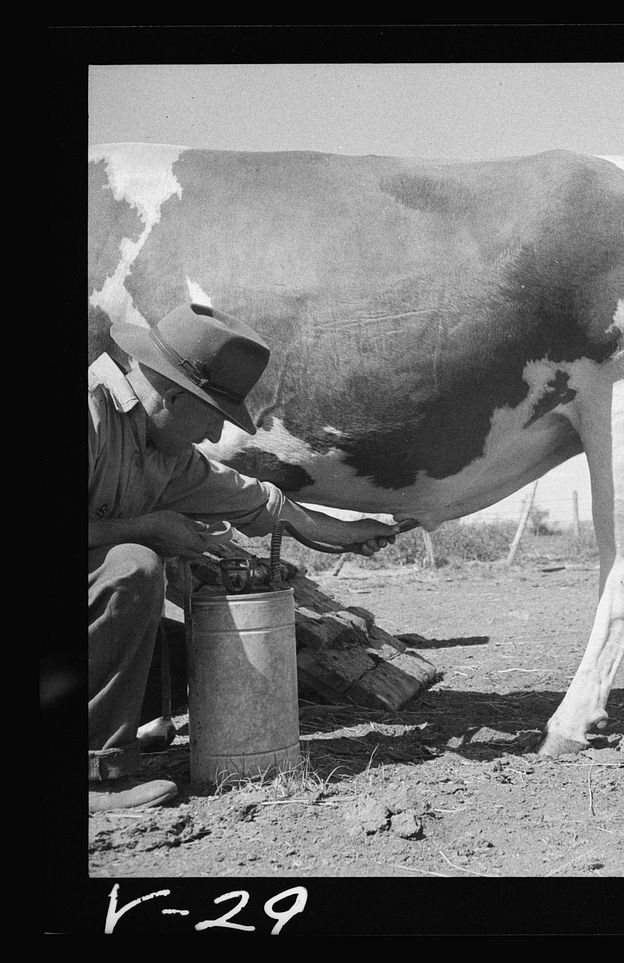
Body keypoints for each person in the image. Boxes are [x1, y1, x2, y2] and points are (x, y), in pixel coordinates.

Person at [89, 302, 399, 813]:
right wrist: (147, 528)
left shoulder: (164, 450)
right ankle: (96, 775)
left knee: (176, 643)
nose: (213, 438)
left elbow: (259, 502)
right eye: (212, 420)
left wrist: (346, 532)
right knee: (133, 566)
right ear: (171, 397)